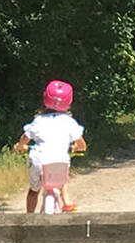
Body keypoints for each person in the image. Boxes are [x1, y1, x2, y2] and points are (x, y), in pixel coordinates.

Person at [14, 79, 87, 213]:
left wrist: (20, 146)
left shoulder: (39, 121)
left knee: (34, 190)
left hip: (38, 160)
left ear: (45, 99)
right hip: (59, 161)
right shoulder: (69, 122)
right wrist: (76, 147)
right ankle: (67, 202)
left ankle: (29, 216)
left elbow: (25, 138)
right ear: (69, 102)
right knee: (61, 178)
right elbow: (82, 144)